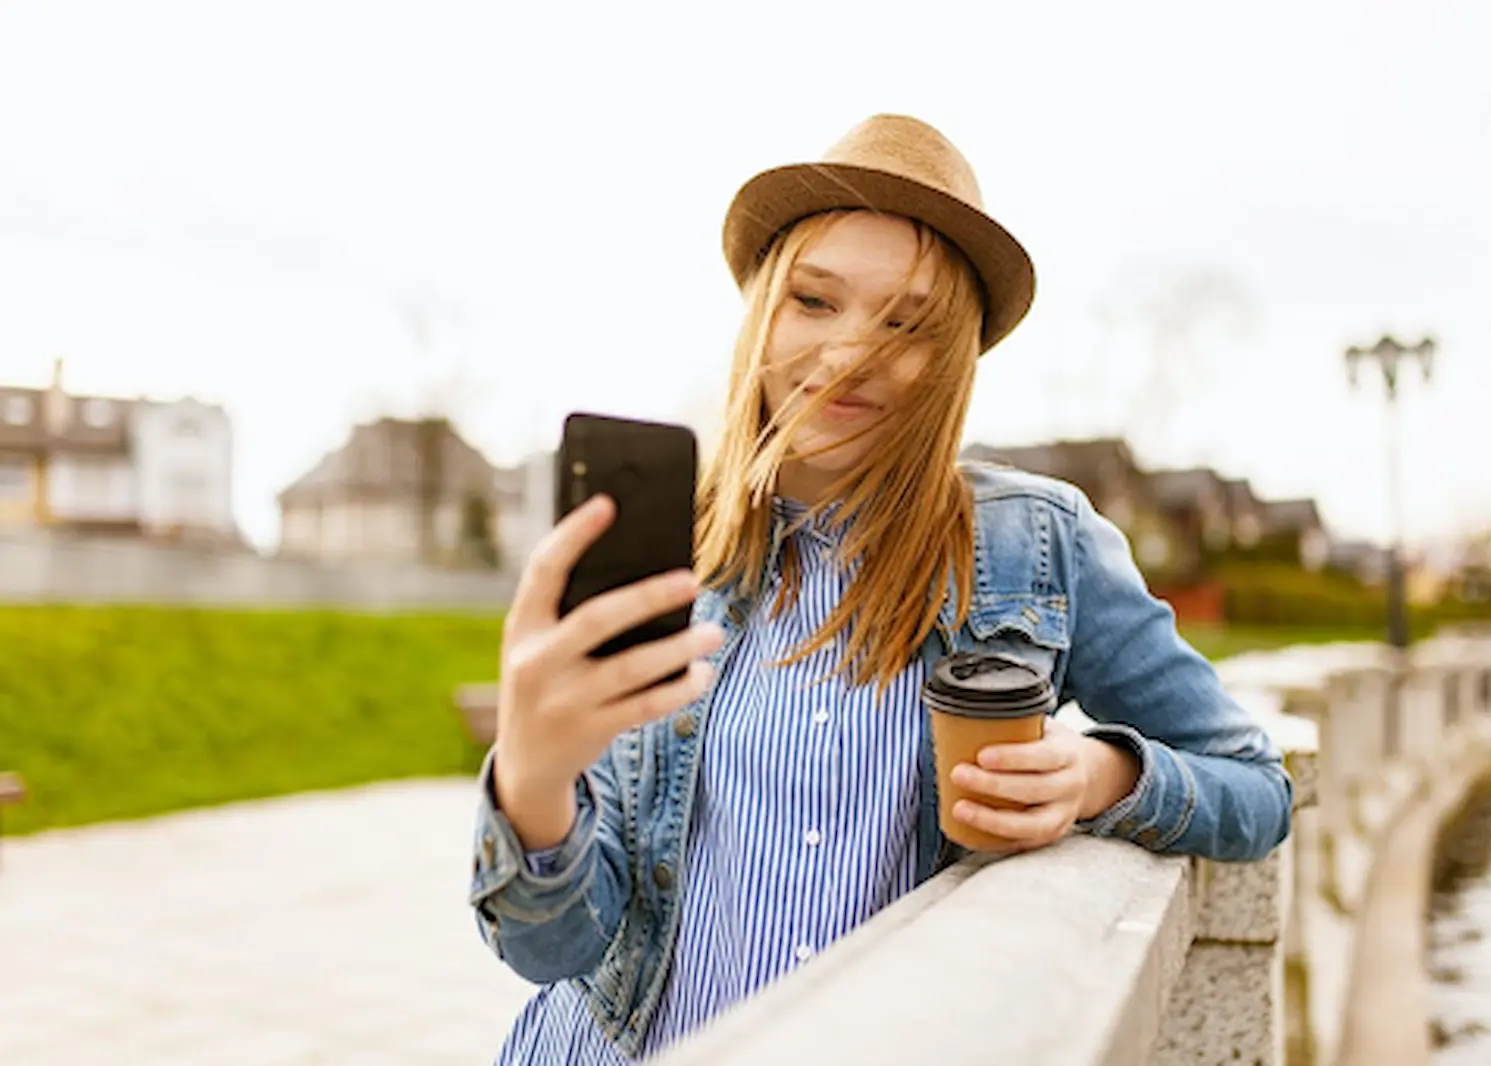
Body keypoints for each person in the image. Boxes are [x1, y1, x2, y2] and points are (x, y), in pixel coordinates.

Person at [467, 114, 1293, 1064]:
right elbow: (551, 950)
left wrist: (1104, 776)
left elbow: (1257, 789)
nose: (849, 353)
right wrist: (531, 780)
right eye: (815, 302)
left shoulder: (1037, 545)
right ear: (763, 315)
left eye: (906, 323)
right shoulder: (667, 552)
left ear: (955, 360)